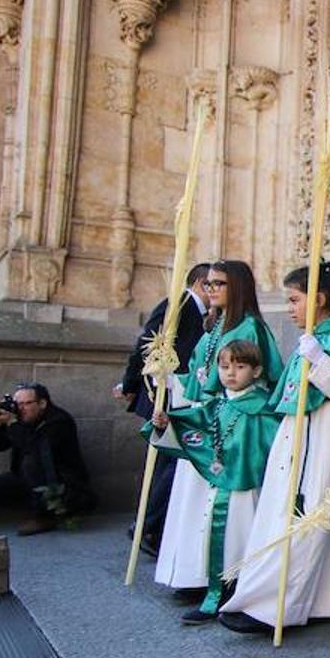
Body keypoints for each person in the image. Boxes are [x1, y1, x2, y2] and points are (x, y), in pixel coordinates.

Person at [220, 262, 330, 635]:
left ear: (320, 299)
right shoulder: (312, 338)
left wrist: (321, 361)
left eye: (295, 300)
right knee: (302, 512)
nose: (290, 308)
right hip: (301, 433)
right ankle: (324, 600)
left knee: (315, 515)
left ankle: (277, 606)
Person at [154, 260, 283, 595]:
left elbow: (264, 376)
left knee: (221, 503)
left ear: (236, 287)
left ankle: (217, 577)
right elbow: (198, 376)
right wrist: (166, 375)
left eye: (218, 284)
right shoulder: (213, 327)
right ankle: (192, 573)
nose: (210, 289)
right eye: (208, 284)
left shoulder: (250, 328)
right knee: (193, 499)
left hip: (232, 421)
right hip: (204, 416)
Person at [146, 340, 280, 624]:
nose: (231, 373)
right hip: (220, 485)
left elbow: (276, 448)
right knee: (219, 537)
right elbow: (192, 422)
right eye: (224, 366)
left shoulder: (262, 409)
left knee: (243, 537)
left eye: (240, 366)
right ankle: (217, 591)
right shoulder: (218, 404)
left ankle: (237, 592)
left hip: (248, 487)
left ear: (256, 371)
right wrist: (165, 422)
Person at [116, 262, 210, 556]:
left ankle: (150, 526)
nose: (215, 292)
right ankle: (149, 527)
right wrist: (130, 382)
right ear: (199, 283)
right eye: (212, 285)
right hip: (165, 395)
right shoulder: (178, 304)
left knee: (166, 464)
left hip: (178, 394)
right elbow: (147, 341)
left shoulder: (199, 313)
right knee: (169, 462)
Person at [0, 383, 95, 537]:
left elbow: (36, 449)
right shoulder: (23, 419)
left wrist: (13, 423)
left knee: (32, 462)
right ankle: (41, 510)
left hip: (63, 484)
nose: (20, 408)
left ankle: (48, 516)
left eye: (25, 404)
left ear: (42, 403)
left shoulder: (59, 421)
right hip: (25, 479)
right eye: (17, 404)